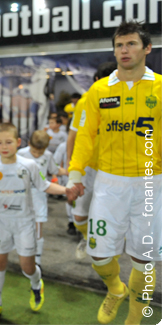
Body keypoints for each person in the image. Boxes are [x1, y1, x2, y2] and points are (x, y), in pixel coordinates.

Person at [67, 21, 160, 325]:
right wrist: (75, 174)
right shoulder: (99, 90)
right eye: (119, 45)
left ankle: (134, 320)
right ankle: (115, 289)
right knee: (99, 254)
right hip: (109, 182)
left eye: (131, 43)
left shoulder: (160, 87)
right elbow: (84, 136)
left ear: (147, 48)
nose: (124, 50)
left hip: (152, 183)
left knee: (143, 259)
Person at [0, 123, 71, 323]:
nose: (4, 146)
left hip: (25, 223)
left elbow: (45, 185)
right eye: (0, 143)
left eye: (8, 142)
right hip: (1, 223)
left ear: (18, 142)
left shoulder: (29, 165)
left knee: (27, 267)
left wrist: (67, 190)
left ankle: (36, 284)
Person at [66, 62, 117, 260]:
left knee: (112, 215)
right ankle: (87, 237)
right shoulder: (85, 101)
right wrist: (70, 166)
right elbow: (74, 135)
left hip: (113, 168)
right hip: (87, 167)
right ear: (96, 81)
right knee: (79, 216)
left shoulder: (125, 99)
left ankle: (108, 253)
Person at [17, 131, 61, 266]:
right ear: (29, 144)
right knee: (22, 226)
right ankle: (24, 255)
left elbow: (55, 170)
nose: (36, 155)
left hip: (39, 195)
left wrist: (72, 171)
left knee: (38, 227)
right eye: (34, 151)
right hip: (21, 195)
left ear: (46, 148)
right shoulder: (21, 154)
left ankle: (37, 260)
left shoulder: (48, 155)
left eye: (40, 152)